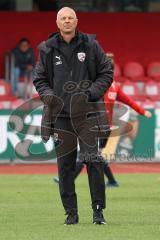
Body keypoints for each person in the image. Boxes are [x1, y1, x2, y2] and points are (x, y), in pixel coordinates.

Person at [33, 7, 113, 225]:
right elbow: (39, 78)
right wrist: (49, 97)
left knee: (92, 161)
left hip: (86, 114)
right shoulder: (47, 48)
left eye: (70, 18)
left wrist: (91, 93)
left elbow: (107, 71)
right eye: (63, 18)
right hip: (60, 116)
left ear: (76, 21)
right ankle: (71, 214)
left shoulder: (90, 44)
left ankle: (98, 211)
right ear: (57, 23)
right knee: (65, 166)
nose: (67, 21)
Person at [54, 52, 152, 187]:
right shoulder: (91, 85)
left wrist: (142, 111)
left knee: (87, 155)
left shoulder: (114, 87)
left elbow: (129, 101)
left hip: (104, 128)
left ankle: (66, 180)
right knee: (92, 155)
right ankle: (111, 181)